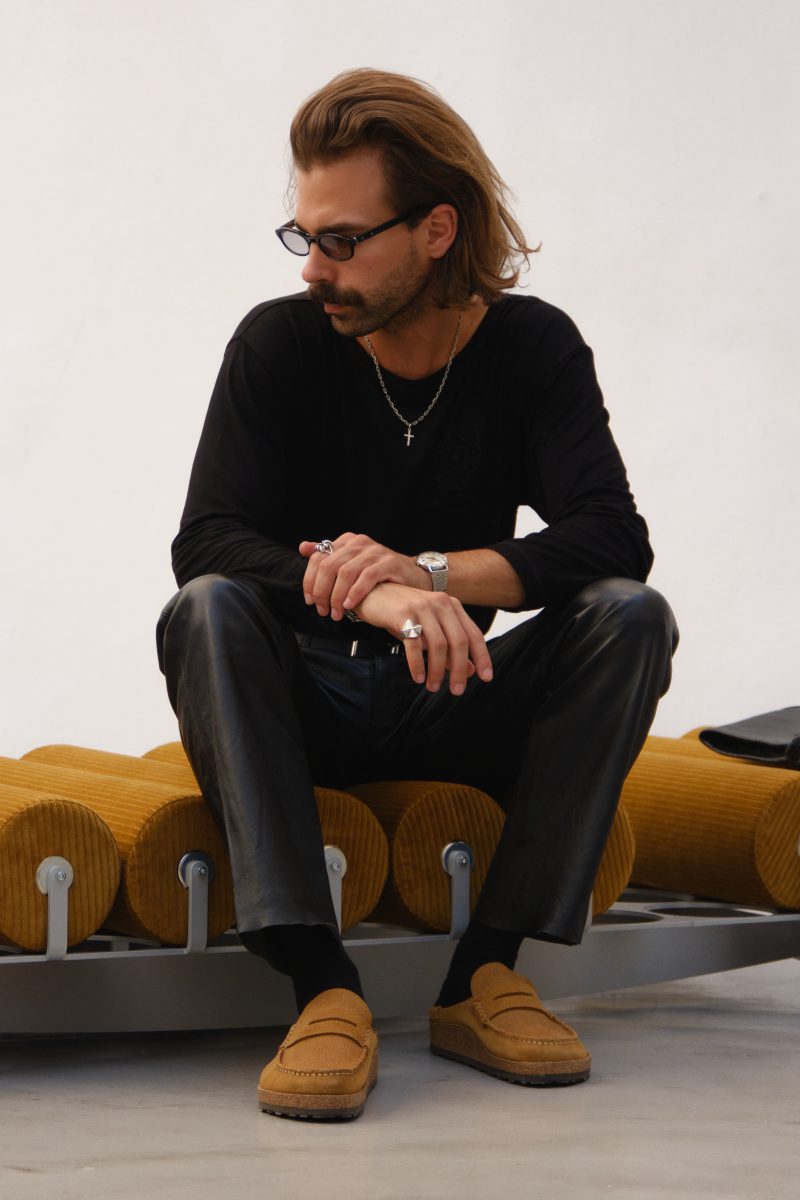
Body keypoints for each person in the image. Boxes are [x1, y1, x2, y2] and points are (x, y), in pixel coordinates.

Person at [157, 67, 678, 1121]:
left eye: (343, 241)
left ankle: (484, 974)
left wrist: (430, 572)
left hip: (455, 692)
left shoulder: (530, 348)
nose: (315, 270)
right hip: (307, 703)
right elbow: (208, 538)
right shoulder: (278, 343)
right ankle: (321, 987)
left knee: (629, 614)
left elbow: (610, 535)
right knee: (206, 606)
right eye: (304, 238)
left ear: (437, 230)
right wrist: (370, 596)